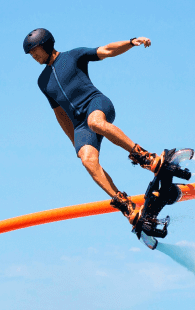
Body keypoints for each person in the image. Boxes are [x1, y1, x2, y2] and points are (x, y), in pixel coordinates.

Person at [23, 28, 166, 225]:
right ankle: (126, 205)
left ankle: (144, 156)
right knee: (87, 159)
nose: (33, 56)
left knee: (95, 122)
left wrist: (132, 42)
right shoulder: (42, 82)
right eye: (30, 54)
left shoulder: (73, 55)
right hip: (80, 124)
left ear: (46, 45)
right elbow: (59, 114)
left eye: (35, 51)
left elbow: (107, 50)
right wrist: (75, 142)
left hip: (96, 104)